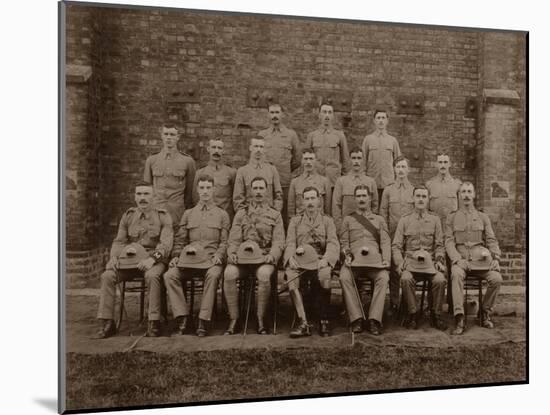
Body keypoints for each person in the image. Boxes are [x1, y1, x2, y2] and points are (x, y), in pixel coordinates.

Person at [96, 182, 173, 338]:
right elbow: (119, 241)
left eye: (146, 194)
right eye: (139, 194)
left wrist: (152, 259)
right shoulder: (129, 216)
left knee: (152, 276)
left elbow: (165, 245)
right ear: (135, 196)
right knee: (107, 276)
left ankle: (153, 321)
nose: (142, 198)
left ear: (154, 196)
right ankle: (107, 322)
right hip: (128, 261)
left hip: (153, 261)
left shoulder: (163, 216)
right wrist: (114, 257)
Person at [164, 175, 230, 337]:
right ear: (197, 190)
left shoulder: (222, 215)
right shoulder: (188, 214)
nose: (205, 191)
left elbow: (225, 242)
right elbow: (180, 240)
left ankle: (203, 319)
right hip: (189, 262)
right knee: (170, 275)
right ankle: (183, 317)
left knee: (214, 275)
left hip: (210, 261)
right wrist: (176, 255)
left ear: (214, 190)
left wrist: (219, 255)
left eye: (208, 188)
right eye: (202, 188)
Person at [224, 177, 285, 335]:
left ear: (266, 191)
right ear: (250, 191)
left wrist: (272, 255)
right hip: (243, 260)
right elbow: (234, 239)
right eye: (255, 188)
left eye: (261, 188)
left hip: (264, 258)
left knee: (264, 275)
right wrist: (232, 253)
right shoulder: (241, 214)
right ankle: (234, 319)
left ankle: (261, 318)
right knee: (229, 273)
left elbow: (279, 241)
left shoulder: (275, 215)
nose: (258, 192)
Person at [445, 182, 503, 335]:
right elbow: (449, 241)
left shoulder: (483, 217)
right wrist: (456, 259)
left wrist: (495, 257)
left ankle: (484, 312)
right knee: (456, 274)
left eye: (469, 191)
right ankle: (459, 316)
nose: (466, 195)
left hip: (481, 260)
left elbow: (491, 239)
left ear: (474, 195)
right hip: (461, 258)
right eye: (463, 192)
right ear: (459, 195)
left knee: (496, 278)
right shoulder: (452, 217)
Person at [284, 187, 339, 337]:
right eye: (307, 199)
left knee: (325, 275)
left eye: (312, 198)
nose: (310, 202)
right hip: (299, 261)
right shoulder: (295, 221)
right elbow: (289, 242)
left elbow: (333, 243)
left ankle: (324, 319)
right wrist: (290, 258)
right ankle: (303, 322)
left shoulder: (327, 221)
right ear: (302, 201)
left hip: (319, 260)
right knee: (291, 278)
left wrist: (327, 259)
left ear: (319, 200)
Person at [392, 185, 447, 331]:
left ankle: (436, 314)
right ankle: (413, 313)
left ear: (428, 199)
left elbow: (440, 245)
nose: (421, 199)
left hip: (430, 264)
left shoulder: (435, 220)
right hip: (410, 263)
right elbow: (396, 246)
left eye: (424, 196)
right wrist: (399, 262)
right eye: (418, 196)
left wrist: (440, 261)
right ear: (413, 198)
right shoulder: (404, 220)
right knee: (405, 278)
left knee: (440, 280)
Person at [339, 185, 390, 335]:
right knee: (344, 277)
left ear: (369, 198)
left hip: (374, 263)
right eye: (358, 196)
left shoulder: (379, 220)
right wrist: (347, 255)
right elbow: (344, 243)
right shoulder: (348, 220)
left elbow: (385, 242)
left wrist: (386, 259)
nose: (361, 199)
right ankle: (356, 319)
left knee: (383, 277)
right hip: (354, 263)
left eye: (364, 196)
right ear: (355, 199)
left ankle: (374, 319)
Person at [379, 156, 415, 313]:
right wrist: (385, 236)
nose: (400, 170)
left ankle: (407, 304)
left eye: (403, 167)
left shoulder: (413, 190)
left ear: (408, 170)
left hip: (409, 237)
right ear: (394, 169)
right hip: (393, 235)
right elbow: (383, 214)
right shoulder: (388, 190)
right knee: (394, 270)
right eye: (398, 167)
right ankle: (394, 302)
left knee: (407, 268)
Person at [144, 123, 196, 226]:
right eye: (166, 134)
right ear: (161, 136)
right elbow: (147, 188)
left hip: (177, 211)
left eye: (172, 135)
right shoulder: (152, 160)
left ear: (178, 137)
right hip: (156, 211)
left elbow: (190, 191)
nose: (169, 137)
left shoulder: (187, 161)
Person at [258, 102, 301, 225]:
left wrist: (286, 170)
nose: (274, 115)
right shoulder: (262, 135)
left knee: (285, 213)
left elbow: (297, 159)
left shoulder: (291, 135)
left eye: (277, 112)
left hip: (284, 182)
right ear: (268, 115)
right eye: (272, 112)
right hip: (268, 183)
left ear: (282, 115)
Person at [332, 147, 378, 233]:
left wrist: (372, 225)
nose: (356, 161)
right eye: (353, 158)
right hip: (347, 228)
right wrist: (340, 229)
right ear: (349, 160)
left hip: (367, 228)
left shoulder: (371, 181)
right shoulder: (341, 181)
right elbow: (336, 207)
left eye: (359, 158)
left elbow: (375, 206)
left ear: (363, 160)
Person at [305, 102, 350, 187]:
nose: (327, 115)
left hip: (333, 181)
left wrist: (344, 181)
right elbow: (305, 160)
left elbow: (346, 161)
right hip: (316, 181)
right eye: (324, 112)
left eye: (329, 112)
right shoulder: (312, 136)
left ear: (333, 116)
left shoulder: (339, 135)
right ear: (319, 115)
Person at [233, 136, 283, 212]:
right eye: (256, 146)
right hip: (249, 216)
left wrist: (274, 213)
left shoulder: (272, 169)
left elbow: (279, 196)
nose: (258, 150)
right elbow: (238, 199)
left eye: (261, 147)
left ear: (265, 149)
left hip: (269, 215)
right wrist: (244, 216)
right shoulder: (242, 171)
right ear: (250, 148)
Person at [192, 138, 237, 220]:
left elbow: (235, 197)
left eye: (219, 148)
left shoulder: (231, 173)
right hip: (205, 217)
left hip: (225, 218)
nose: (216, 151)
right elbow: (195, 198)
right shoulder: (200, 173)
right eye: (214, 147)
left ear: (223, 151)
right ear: (208, 149)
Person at [362, 109, 401, 201]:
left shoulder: (392, 140)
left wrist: (397, 181)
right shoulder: (368, 139)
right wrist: (364, 181)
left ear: (387, 120)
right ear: (374, 120)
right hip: (371, 182)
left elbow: (398, 163)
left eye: (383, 118)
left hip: (388, 183)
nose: (381, 120)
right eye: (378, 118)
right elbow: (363, 162)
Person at [287, 148, 332, 217]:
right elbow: (291, 210)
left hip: (319, 222)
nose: (308, 162)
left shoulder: (324, 182)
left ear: (316, 161)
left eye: (311, 159)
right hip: (300, 223)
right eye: (305, 159)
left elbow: (327, 210)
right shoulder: (295, 182)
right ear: (301, 161)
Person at [426, 152, 462, 226]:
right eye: (440, 162)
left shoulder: (457, 184)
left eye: (445, 162)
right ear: (436, 164)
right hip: (434, 226)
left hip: (451, 226)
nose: (443, 165)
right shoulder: (429, 184)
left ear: (450, 164)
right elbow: (426, 211)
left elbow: (461, 210)